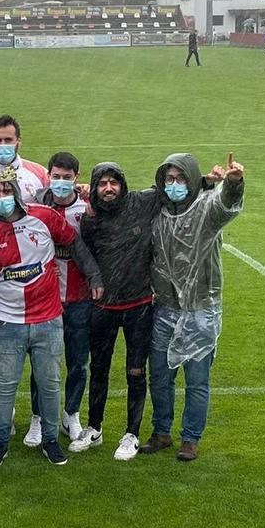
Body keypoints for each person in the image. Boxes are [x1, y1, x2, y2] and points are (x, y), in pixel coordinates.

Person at [0, 165, 75, 468]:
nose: (1, 197)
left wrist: (97, 278)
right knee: (4, 387)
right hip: (7, 324)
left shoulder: (44, 217)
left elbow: (76, 243)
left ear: (18, 192)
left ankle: (50, 441)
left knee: (49, 385)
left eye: (6, 190)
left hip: (47, 321)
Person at [145, 154, 244, 460]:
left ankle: (190, 439)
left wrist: (233, 183)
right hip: (164, 307)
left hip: (201, 309)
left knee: (197, 378)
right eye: (169, 179)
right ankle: (161, 432)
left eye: (181, 178)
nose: (174, 184)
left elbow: (225, 205)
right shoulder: (156, 212)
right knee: (160, 376)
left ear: (192, 179)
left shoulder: (205, 209)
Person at [69, 162, 159, 462]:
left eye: (114, 182)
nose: (109, 188)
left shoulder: (141, 203)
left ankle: (131, 433)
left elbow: (177, 189)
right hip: (103, 308)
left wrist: (209, 182)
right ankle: (94, 428)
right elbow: (87, 257)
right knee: (99, 369)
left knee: (135, 371)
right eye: (102, 183)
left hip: (139, 306)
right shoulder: (90, 220)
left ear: (123, 184)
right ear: (94, 188)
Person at [27, 152, 103, 444]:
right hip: (45, 299)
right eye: (56, 176)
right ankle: (37, 417)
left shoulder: (86, 209)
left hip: (79, 299)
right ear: (48, 176)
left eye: (66, 177)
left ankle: (70, 414)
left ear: (76, 178)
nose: (60, 182)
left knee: (77, 361)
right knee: (41, 361)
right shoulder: (35, 206)